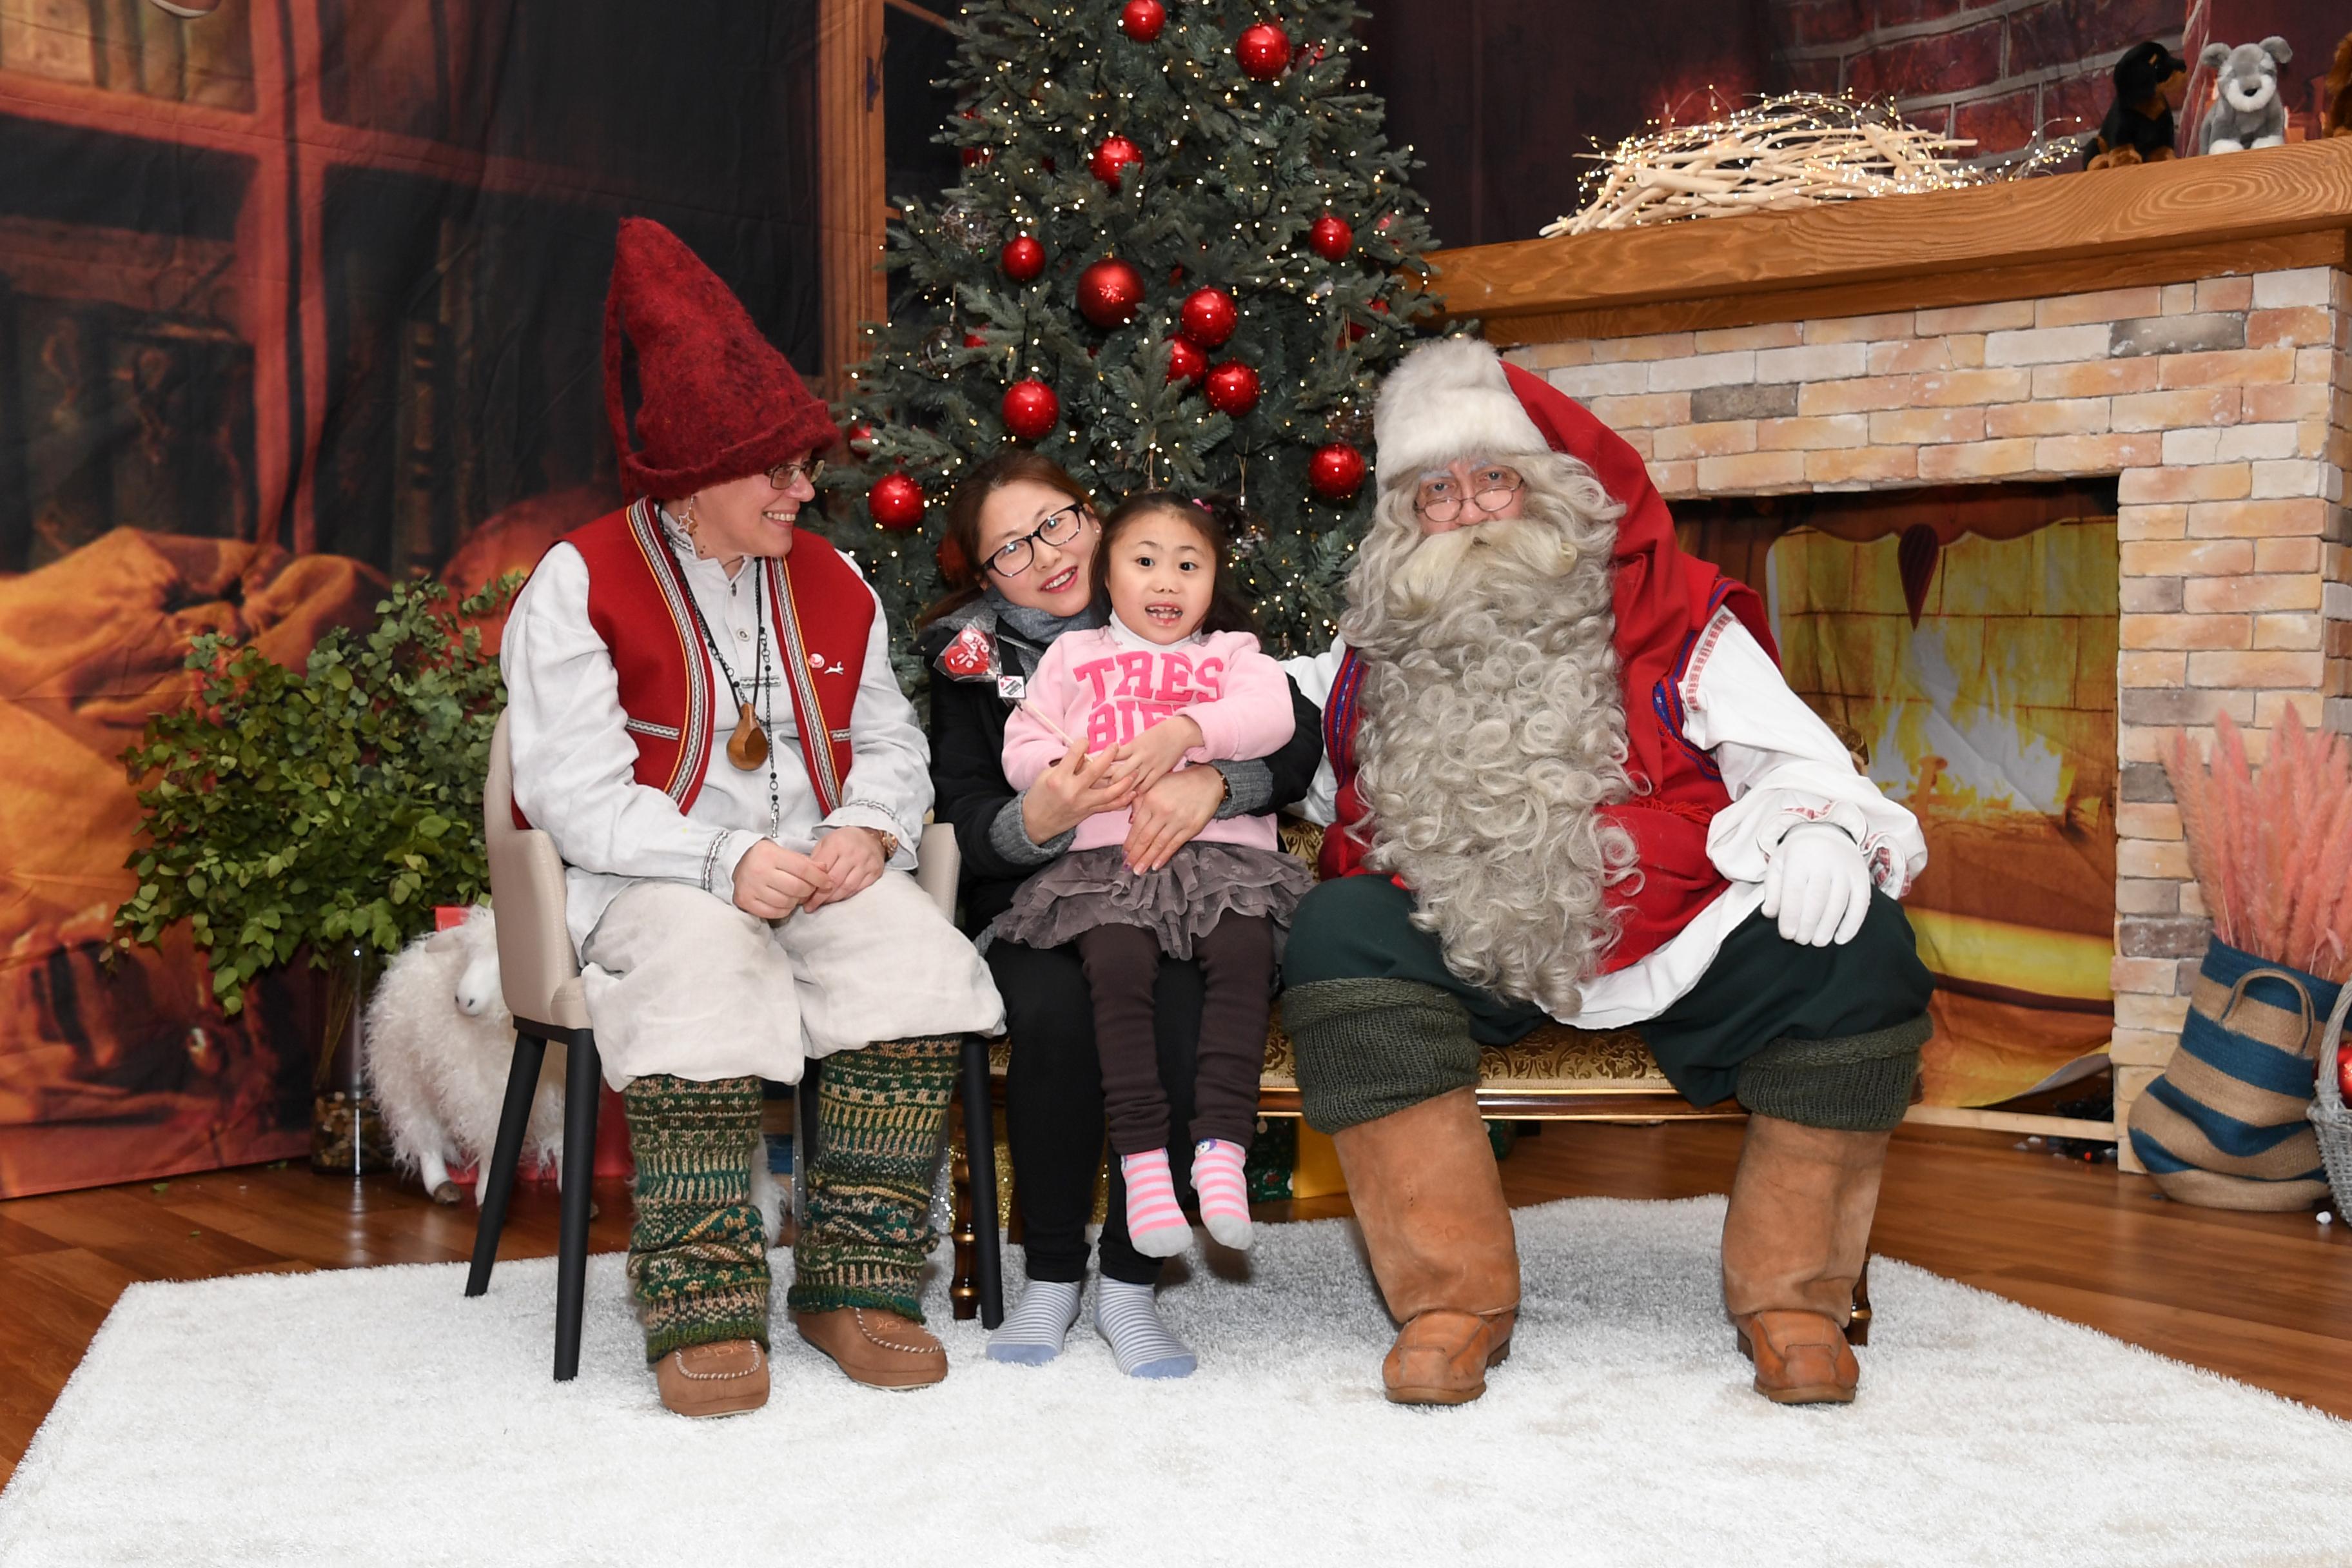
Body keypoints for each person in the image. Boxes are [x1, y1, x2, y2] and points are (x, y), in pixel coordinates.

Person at [1282, 338, 1932, 1408]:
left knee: (1860, 951)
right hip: (1467, 924)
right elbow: (1264, 723)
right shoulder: (1374, 643)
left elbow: (1795, 759)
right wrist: (1192, 754)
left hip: (1673, 922)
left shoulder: (1682, 620)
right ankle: (1450, 1300)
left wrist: (1816, 830)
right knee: (1339, 933)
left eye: (1494, 477)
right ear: (1406, 521)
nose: (1472, 509)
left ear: (1552, 489)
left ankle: (1794, 1300)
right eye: (1436, 492)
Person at [500, 218, 1004, 1418]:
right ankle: (703, 1302)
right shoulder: (576, 580)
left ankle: (855, 1280)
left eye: (802, 466)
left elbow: (889, 738)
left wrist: (869, 830)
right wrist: (724, 857)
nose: (801, 487)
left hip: (822, 871)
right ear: (691, 472)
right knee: (702, 972)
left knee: (918, 964)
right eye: (774, 469)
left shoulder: (834, 578)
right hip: (653, 880)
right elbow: (569, 793)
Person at [917, 454, 1324, 1378]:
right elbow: (968, 816)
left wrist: (1214, 783)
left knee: (1184, 1002)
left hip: (1193, 880)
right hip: (1044, 898)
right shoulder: (974, 664)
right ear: (983, 577)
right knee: (1059, 1015)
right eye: (1011, 550)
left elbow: (1293, 736)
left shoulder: (1176, 600)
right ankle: (1054, 1275)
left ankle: (1132, 1283)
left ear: (1093, 521)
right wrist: (1042, 818)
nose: (1044, 555)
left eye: (1056, 523)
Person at [993, 493, 1314, 1259]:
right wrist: (1066, 776)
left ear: (1212, 580)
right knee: (1116, 970)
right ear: (1108, 573)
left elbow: (1276, 720)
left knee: (1242, 960)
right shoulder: (1075, 657)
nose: (1166, 581)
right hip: (1110, 865)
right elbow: (1023, 745)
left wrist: (1188, 730)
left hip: (1225, 864)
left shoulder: (1233, 656)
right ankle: (1142, 1161)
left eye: (1188, 564)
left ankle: (1223, 1150)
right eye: (1144, 562)